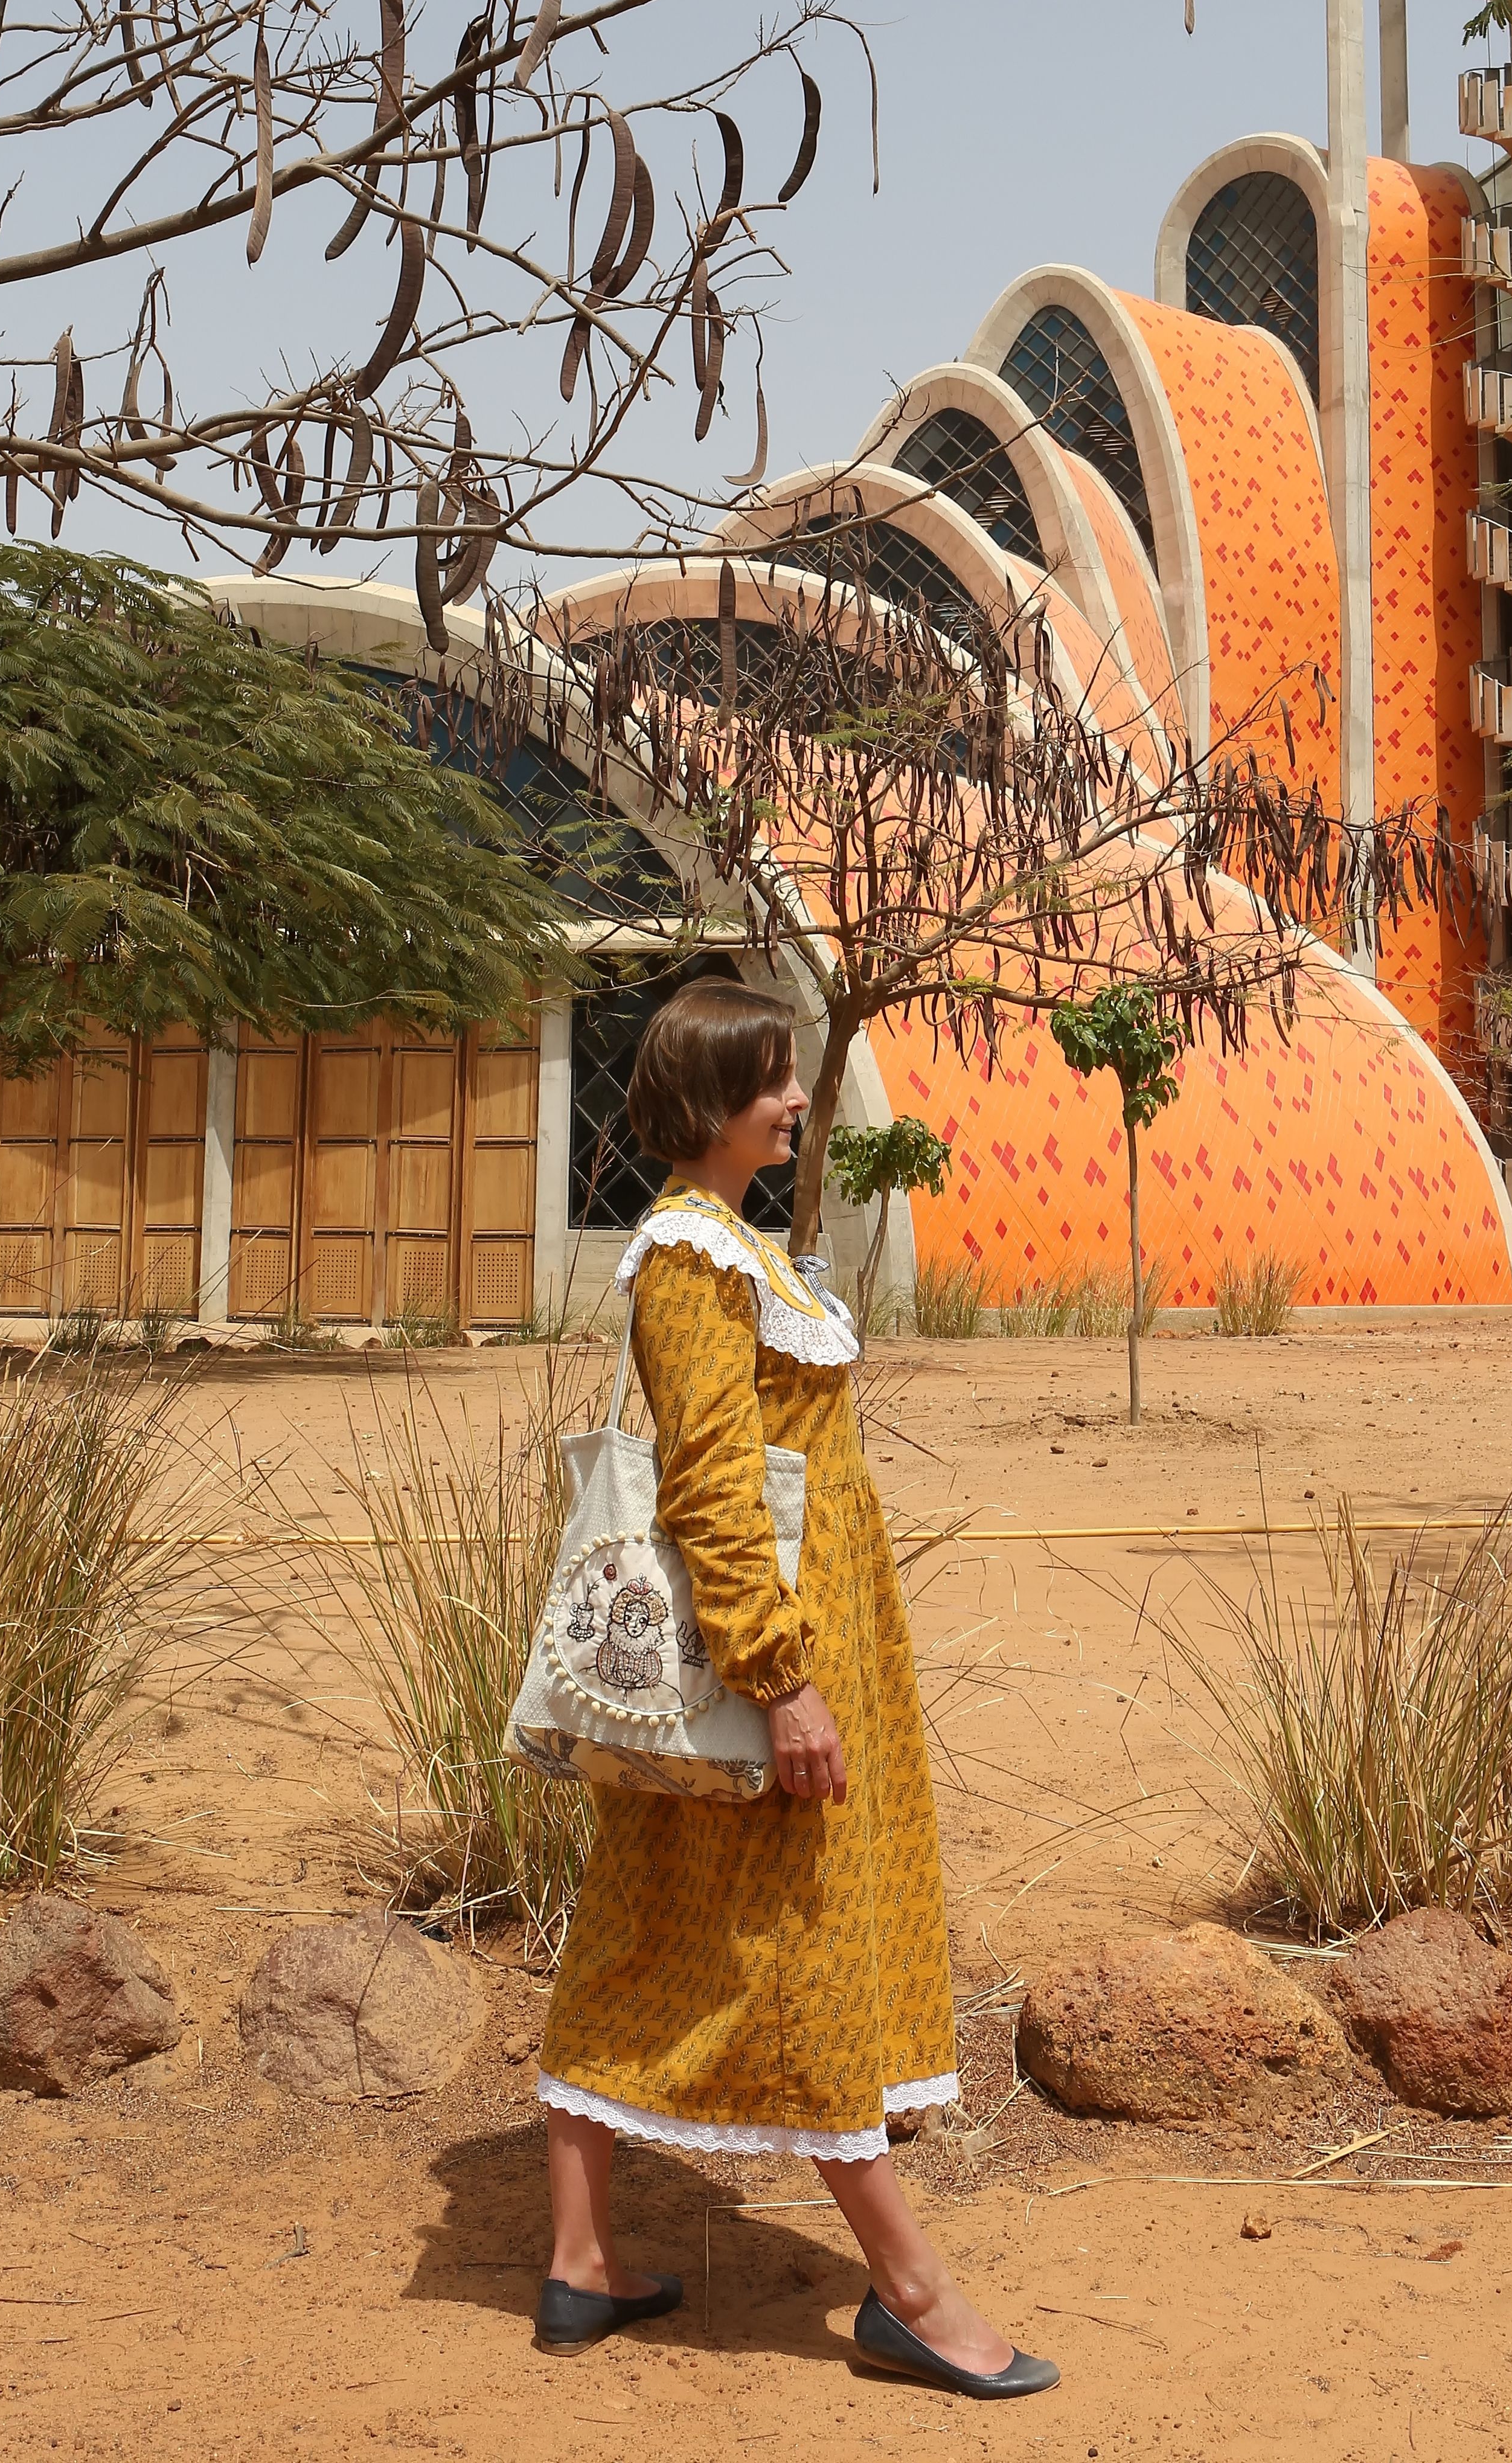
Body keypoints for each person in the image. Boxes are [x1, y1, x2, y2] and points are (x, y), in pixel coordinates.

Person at [535, 978, 1057, 2401]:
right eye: (773, 1080)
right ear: (710, 1099)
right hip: (767, 1657)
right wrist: (780, 1680)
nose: (794, 1100)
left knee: (644, 1921)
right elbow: (707, 1480)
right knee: (809, 1941)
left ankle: (580, 2261)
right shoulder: (689, 1264)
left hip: (812, 1646)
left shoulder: (738, 1248)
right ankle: (915, 2292)